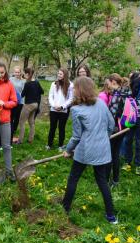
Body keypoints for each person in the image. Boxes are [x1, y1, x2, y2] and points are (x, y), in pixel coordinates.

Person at [62, 76, 117, 224]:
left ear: (80, 90)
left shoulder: (76, 109)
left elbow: (76, 136)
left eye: (75, 88)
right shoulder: (101, 103)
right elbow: (111, 124)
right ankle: (111, 216)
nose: (73, 90)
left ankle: (65, 208)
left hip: (86, 150)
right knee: (102, 181)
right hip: (103, 149)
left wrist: (68, 150)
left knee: (73, 178)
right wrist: (104, 138)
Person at [103, 73, 130, 187]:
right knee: (115, 153)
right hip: (123, 127)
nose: (107, 85)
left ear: (113, 82)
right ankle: (115, 180)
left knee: (110, 154)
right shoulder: (125, 92)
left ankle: (106, 181)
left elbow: (113, 113)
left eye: (108, 83)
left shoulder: (118, 94)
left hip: (116, 128)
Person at [46, 68, 74, 151]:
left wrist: (62, 106)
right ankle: (49, 145)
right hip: (53, 110)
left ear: (65, 75)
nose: (58, 75)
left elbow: (71, 99)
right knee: (52, 127)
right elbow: (50, 96)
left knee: (62, 128)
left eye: (60, 74)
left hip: (63, 111)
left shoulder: (70, 85)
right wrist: (53, 105)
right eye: (58, 73)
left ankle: (60, 145)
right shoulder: (53, 84)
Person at [17, 68, 44, 144]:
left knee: (21, 122)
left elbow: (22, 95)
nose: (23, 75)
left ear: (27, 74)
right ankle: (30, 139)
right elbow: (42, 91)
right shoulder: (36, 82)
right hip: (35, 105)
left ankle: (20, 140)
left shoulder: (27, 83)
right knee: (31, 122)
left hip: (28, 105)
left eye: (24, 74)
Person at [9, 66, 25, 143]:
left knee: (17, 117)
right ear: (13, 73)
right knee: (11, 116)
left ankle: (14, 129)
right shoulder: (10, 79)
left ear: (20, 73)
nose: (17, 74)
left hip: (20, 101)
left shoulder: (23, 81)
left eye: (18, 72)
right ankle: (10, 130)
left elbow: (24, 92)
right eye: (16, 72)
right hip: (11, 101)